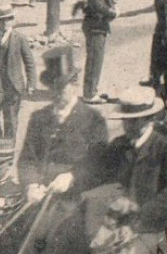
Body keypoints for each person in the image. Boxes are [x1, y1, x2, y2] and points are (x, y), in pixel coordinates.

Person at [51, 86, 167, 234]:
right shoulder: (119, 144)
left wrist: (142, 211)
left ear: (150, 119)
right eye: (125, 120)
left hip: (148, 227)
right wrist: (71, 177)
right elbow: (97, 169)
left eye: (134, 121)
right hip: (113, 222)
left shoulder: (166, 148)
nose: (128, 126)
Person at [17, 45, 108, 191]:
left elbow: (98, 164)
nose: (56, 93)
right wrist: (31, 185)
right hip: (40, 195)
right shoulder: (38, 118)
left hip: (76, 197)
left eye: (61, 87)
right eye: (52, 87)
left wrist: (72, 177)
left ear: (74, 84)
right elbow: (26, 159)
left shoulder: (93, 119)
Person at [0, 6, 37, 139]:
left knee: (11, 119)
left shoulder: (19, 38)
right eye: (1, 21)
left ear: (12, 21)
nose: (4, 24)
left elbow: (29, 62)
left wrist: (31, 83)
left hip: (13, 85)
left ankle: (9, 150)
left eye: (7, 20)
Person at [73, 0, 117, 105]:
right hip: (95, 26)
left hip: (98, 26)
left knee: (96, 60)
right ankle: (89, 93)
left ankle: (93, 90)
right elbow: (97, 5)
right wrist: (112, 12)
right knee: (94, 60)